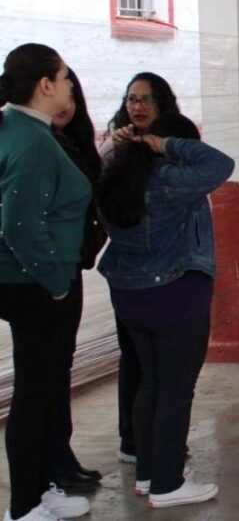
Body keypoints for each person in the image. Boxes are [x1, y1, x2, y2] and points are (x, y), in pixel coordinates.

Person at [97, 112, 232, 509]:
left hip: (130, 296)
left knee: (151, 383)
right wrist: (163, 143)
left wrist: (124, 145)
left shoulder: (115, 178)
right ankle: (168, 483)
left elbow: (103, 160)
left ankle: (147, 474)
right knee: (175, 388)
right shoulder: (170, 180)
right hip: (174, 294)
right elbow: (220, 163)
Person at [0, 43, 93, 521]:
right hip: (33, 285)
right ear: (46, 85)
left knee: (45, 389)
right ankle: (24, 507)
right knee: (35, 395)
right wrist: (56, 280)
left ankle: (40, 488)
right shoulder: (31, 139)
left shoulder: (22, 128)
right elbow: (19, 224)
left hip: (30, 281)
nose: (71, 87)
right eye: (66, 78)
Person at [106, 72, 182, 466]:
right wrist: (110, 148)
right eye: (132, 98)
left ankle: (161, 437)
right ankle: (133, 438)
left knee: (163, 364)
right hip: (131, 270)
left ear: (162, 103)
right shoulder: (116, 148)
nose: (137, 106)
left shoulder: (175, 144)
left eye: (147, 99)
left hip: (170, 269)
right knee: (135, 357)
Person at [48, 69, 105, 495]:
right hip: (50, 272)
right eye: (61, 90)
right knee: (45, 374)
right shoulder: (37, 145)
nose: (67, 103)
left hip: (69, 265)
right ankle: (51, 467)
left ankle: (60, 456)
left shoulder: (77, 144)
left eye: (73, 94)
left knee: (58, 367)